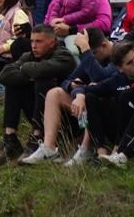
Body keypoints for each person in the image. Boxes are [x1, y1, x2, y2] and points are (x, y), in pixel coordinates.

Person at [20, 27, 114, 164]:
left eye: (93, 54)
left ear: (104, 46)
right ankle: (49, 148)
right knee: (54, 93)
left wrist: (82, 91)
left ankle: (86, 149)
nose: (90, 59)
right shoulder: (92, 56)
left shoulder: (118, 55)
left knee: (90, 96)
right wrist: (75, 89)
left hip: (110, 110)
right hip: (86, 105)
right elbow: (69, 80)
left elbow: (100, 78)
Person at [0, 23, 76, 164]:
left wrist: (25, 69)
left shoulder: (64, 56)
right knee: (13, 84)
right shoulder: (29, 56)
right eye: (32, 41)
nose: (34, 46)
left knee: (43, 80)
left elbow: (41, 71)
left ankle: (37, 138)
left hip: (67, 119)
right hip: (40, 112)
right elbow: (4, 75)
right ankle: (10, 139)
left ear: (52, 42)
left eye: (39, 41)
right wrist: (30, 74)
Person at [82, 41, 134, 165]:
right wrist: (78, 94)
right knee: (90, 97)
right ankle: (103, 152)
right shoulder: (117, 80)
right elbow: (87, 90)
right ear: (120, 68)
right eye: (130, 63)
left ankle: (122, 155)